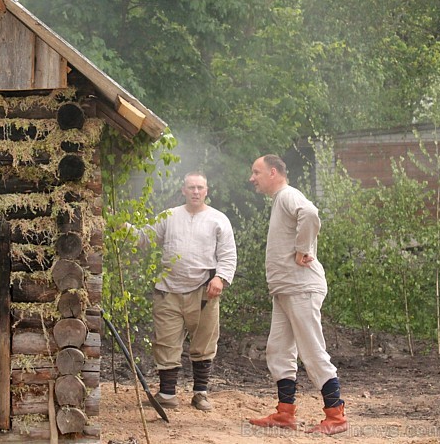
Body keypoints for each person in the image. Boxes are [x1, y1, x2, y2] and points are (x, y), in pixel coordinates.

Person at [247, 154, 348, 435]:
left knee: (312, 350)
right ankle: (285, 413)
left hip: (301, 287)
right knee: (279, 350)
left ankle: (336, 415)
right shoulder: (280, 200)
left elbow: (311, 214)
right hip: (286, 289)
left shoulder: (288, 194)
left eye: (256, 172)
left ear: (273, 172)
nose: (251, 178)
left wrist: (304, 248)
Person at [127, 171, 237, 411]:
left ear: (207, 191)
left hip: (204, 291)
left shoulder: (219, 219)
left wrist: (220, 278)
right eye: (191, 187)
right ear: (183, 190)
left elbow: (228, 255)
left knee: (204, 342)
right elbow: (145, 237)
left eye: (200, 187)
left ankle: (200, 394)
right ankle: (167, 394)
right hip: (168, 290)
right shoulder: (169, 216)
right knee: (165, 342)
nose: (195, 191)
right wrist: (117, 225)